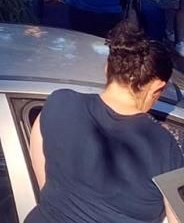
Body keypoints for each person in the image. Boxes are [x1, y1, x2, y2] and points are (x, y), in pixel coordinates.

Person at [26, 23, 182, 223]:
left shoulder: (59, 102)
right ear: (157, 87)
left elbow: (46, 188)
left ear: (107, 68)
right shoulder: (165, 147)